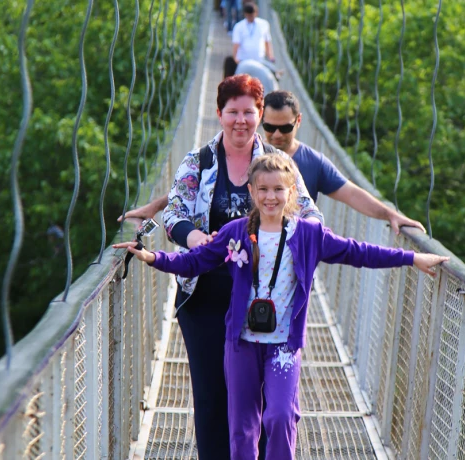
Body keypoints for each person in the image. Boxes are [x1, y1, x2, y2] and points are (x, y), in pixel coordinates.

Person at [113, 154, 449, 459]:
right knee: (243, 426)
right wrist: (152, 257)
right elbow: (195, 262)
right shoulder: (236, 233)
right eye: (263, 190)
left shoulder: (308, 235)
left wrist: (412, 257)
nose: (271, 197)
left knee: (280, 416)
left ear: (291, 192)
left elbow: (358, 251)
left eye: (278, 189)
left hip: (283, 347)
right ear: (252, 192)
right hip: (241, 344)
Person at [122, 75, 321, 460]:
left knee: (262, 402)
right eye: (233, 112)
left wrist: (296, 237)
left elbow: (311, 214)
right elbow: (176, 209)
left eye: (249, 112)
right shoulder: (198, 161)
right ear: (219, 114)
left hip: (264, 303)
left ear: (260, 114)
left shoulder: (279, 167)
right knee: (212, 398)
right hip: (206, 301)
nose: (241, 121)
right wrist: (196, 239)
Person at [263, 90, 426, 233]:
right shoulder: (249, 154)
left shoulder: (313, 162)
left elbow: (352, 194)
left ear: (298, 121)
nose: (277, 135)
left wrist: (390, 215)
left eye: (285, 128)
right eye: (270, 127)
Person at [232, 2, 275, 68]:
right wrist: (235, 58)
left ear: (256, 13)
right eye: (248, 16)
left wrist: (271, 57)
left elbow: (267, 42)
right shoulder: (239, 26)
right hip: (243, 60)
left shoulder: (264, 24)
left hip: (259, 60)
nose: (250, 17)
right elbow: (236, 44)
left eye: (252, 15)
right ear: (245, 14)